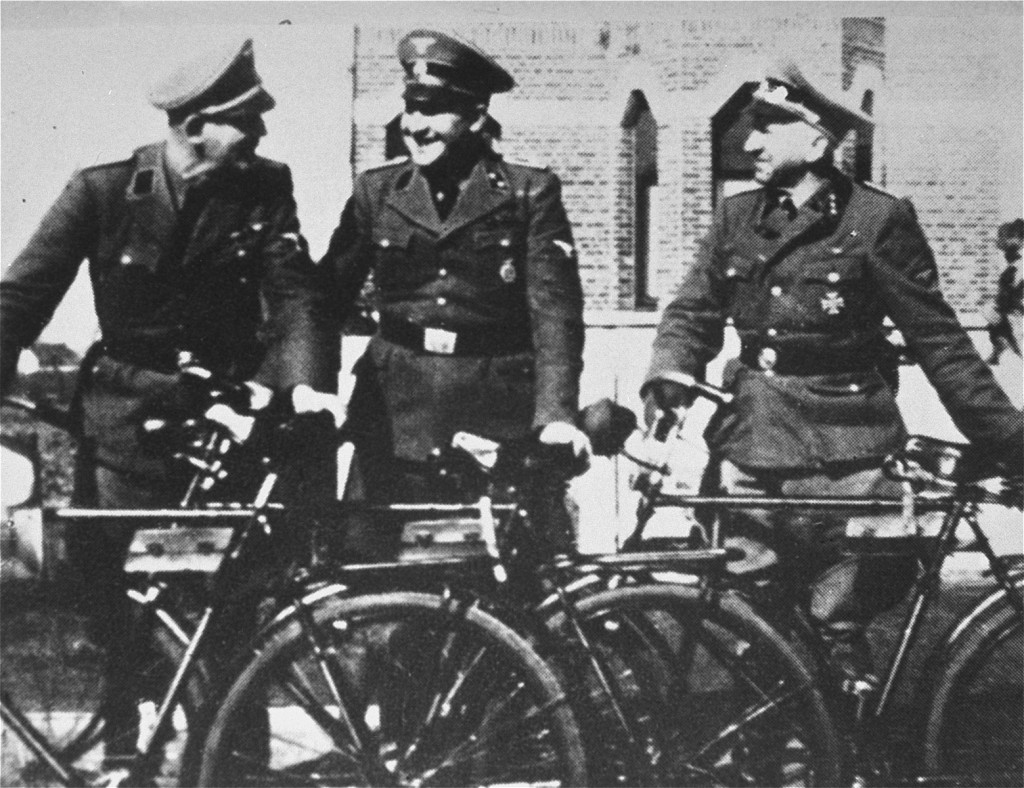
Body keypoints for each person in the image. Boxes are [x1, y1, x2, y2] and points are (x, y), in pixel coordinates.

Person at [642, 61, 1024, 692]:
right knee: (753, 628)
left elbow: (941, 344)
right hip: (750, 448)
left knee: (833, 629)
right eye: (750, 126)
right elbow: (692, 309)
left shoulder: (877, 221)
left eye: (768, 126)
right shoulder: (737, 217)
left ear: (817, 143)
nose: (749, 143)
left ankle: (837, 760)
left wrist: (1007, 437)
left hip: (849, 459)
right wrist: (672, 370)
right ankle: (769, 760)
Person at [0, 37, 328, 770]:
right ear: (194, 126)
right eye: (246, 121)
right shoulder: (102, 192)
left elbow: (294, 291)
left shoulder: (264, 187)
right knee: (119, 615)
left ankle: (234, 770)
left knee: (229, 613)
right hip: (122, 433)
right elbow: (20, 299)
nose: (262, 136)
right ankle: (125, 760)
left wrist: (302, 384)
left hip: (223, 429)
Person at [316, 29, 588, 562]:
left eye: (436, 110)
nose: (416, 126)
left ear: (477, 116)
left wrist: (555, 416)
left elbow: (555, 314)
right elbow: (321, 298)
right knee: (371, 572)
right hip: (393, 413)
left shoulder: (530, 192)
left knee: (498, 577)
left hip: (492, 414)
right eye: (411, 109)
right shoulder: (377, 192)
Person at [985, 218, 1023, 364]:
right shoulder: (1010, 268)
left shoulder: (1018, 268)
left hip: (1017, 316)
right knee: (990, 310)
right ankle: (998, 349)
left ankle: (1000, 348)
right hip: (1011, 314)